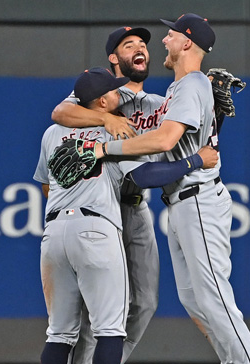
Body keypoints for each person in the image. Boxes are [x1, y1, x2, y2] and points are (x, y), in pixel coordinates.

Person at [94, 13, 250, 364]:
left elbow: (167, 138)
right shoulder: (181, 87)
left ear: (186, 42)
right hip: (183, 200)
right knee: (193, 298)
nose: (164, 41)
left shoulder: (189, 85)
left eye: (170, 35)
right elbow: (192, 145)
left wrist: (108, 148)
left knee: (213, 297)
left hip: (197, 198)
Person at [34, 67, 218, 364]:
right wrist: (195, 160)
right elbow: (146, 176)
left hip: (53, 234)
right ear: (102, 102)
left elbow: (45, 185)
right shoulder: (116, 129)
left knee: (59, 334)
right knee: (109, 330)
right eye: (114, 90)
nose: (120, 92)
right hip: (95, 229)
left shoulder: (51, 133)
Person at [51, 26, 165, 364]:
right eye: (128, 45)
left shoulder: (159, 103)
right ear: (114, 58)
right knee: (95, 310)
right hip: (105, 207)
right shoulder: (100, 93)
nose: (138, 48)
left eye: (142, 43)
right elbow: (60, 113)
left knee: (144, 302)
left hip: (137, 207)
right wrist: (105, 117)